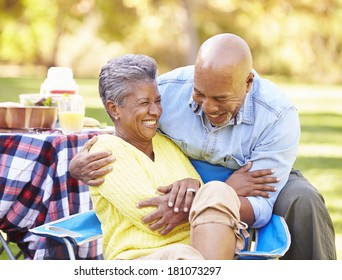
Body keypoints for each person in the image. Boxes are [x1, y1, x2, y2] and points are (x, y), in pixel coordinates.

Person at [70, 34, 336, 260]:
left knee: (303, 199)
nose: (208, 107)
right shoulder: (166, 92)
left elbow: (261, 203)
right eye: (199, 94)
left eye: (221, 98)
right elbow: (127, 127)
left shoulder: (278, 115)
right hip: (194, 185)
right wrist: (77, 163)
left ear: (248, 83)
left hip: (240, 185)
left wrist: (210, 197)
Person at [87, 53, 247, 260]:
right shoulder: (104, 152)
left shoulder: (166, 143)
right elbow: (153, 219)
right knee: (181, 254)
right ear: (114, 108)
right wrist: (195, 196)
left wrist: (193, 187)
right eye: (144, 103)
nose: (155, 111)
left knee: (218, 190)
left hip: (199, 255)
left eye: (158, 101)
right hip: (139, 259)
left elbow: (200, 201)